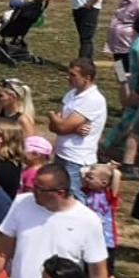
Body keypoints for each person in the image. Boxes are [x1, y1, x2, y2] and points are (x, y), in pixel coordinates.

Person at [0, 165, 114, 278]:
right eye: (34, 186)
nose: (33, 192)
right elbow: (3, 249)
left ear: (60, 193)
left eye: (40, 189)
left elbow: (98, 273)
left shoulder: (88, 220)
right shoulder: (21, 203)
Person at [50, 59, 107, 187]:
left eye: (73, 75)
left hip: (77, 159)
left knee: (74, 196)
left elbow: (62, 127)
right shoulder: (71, 94)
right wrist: (71, 128)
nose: (68, 77)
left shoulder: (93, 99)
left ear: (87, 78)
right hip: (62, 153)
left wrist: (53, 117)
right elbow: (53, 127)